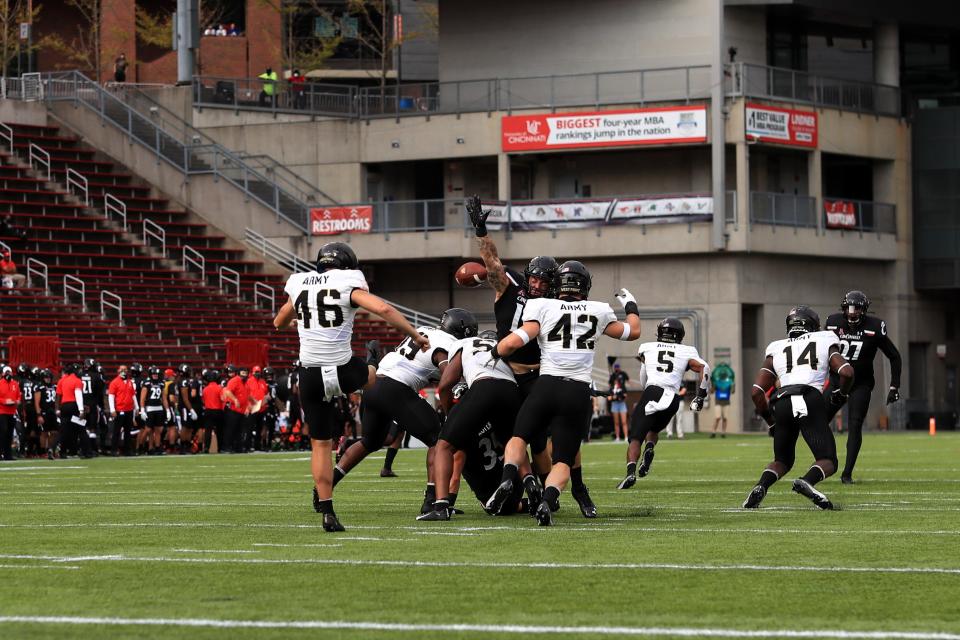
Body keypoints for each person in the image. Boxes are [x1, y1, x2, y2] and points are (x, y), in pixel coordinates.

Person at [272, 241, 429, 532]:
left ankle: (327, 509)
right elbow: (382, 308)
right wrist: (415, 335)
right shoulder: (349, 282)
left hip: (309, 374)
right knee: (372, 376)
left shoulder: (300, 283)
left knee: (321, 445)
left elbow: (279, 321)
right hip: (343, 370)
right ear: (347, 264)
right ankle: (371, 359)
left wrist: (299, 322)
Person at [466, 195, 598, 518]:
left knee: (552, 438)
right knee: (521, 436)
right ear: (527, 276)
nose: (538, 284)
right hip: (509, 375)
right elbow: (493, 265)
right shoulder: (512, 287)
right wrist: (482, 232)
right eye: (534, 278)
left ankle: (564, 488)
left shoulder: (555, 303)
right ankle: (539, 488)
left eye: (544, 280)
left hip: (545, 375)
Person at [486, 262, 641, 525]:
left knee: (519, 437)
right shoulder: (599, 310)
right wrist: (631, 306)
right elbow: (633, 332)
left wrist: (495, 352)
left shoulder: (541, 306)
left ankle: (507, 479)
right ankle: (547, 500)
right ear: (585, 286)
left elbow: (513, 342)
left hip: (545, 386)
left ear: (558, 284)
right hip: (577, 391)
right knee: (563, 461)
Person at [333, 308, 473, 517]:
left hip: (373, 386)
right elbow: (447, 376)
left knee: (370, 442)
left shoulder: (424, 330)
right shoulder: (448, 344)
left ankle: (325, 488)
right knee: (440, 440)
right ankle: (433, 501)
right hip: (395, 388)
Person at [743, 306, 853, 510]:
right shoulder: (825, 338)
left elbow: (756, 392)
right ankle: (807, 481)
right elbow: (846, 372)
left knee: (782, 460)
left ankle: (761, 486)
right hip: (808, 396)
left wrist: (771, 423)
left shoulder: (776, 347)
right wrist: (842, 394)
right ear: (812, 325)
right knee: (828, 459)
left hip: (782, 400)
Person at [420, 328, 523, 521]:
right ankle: (537, 490)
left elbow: (444, 385)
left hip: (489, 493)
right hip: (512, 392)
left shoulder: (463, 345)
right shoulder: (506, 349)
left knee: (444, 446)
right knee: (517, 441)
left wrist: (451, 414)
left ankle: (441, 505)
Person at [617, 318, 709, 490]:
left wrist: (647, 392)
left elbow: (644, 373)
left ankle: (630, 472)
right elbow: (706, 369)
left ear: (661, 332)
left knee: (636, 437)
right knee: (653, 430)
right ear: (680, 334)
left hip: (653, 391)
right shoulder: (688, 351)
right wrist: (700, 396)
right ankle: (650, 447)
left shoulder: (647, 347)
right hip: (672, 398)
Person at [824, 290, 902, 484]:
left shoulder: (875, 326)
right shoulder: (832, 323)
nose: (852, 312)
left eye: (856, 308)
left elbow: (894, 356)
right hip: (837, 381)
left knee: (855, 424)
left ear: (864, 310)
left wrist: (894, 386)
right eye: (848, 308)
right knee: (818, 421)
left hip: (861, 383)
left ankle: (847, 473)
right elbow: (821, 352)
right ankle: (825, 461)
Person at [48, 362, 90, 459]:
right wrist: (81, 410)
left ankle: (54, 448)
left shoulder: (62, 381)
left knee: (63, 431)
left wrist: (57, 409)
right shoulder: (77, 381)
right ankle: (86, 452)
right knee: (82, 429)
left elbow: (58, 396)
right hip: (74, 406)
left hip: (64, 406)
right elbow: (78, 396)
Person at [107, 365, 137, 456]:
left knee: (128, 431)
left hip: (129, 409)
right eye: (122, 369)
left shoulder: (129, 382)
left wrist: (137, 407)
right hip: (120, 409)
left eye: (125, 369)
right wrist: (112, 409)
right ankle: (114, 450)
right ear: (118, 371)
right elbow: (111, 396)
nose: (123, 371)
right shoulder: (114, 382)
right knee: (117, 431)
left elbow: (133, 395)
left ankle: (127, 450)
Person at [222, 365, 250, 453]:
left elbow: (247, 397)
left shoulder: (246, 383)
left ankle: (238, 447)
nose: (244, 375)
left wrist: (247, 408)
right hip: (233, 409)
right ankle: (227, 447)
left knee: (240, 430)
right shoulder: (235, 380)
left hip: (242, 410)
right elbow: (228, 391)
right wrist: (235, 399)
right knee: (231, 429)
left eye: (246, 373)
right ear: (239, 373)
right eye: (243, 373)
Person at [139, 367, 166, 455]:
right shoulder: (146, 383)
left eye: (156, 374)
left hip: (159, 408)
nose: (155, 375)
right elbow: (142, 398)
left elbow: (164, 398)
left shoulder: (161, 383)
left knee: (158, 430)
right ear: (150, 374)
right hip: (150, 408)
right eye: (154, 374)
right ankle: (140, 447)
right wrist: (142, 410)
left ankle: (157, 448)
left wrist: (168, 410)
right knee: (147, 430)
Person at [34, 369, 58, 455]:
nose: (47, 379)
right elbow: (36, 402)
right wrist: (39, 415)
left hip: (52, 412)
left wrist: (57, 410)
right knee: (44, 433)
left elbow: (56, 400)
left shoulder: (55, 387)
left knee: (54, 432)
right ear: (42, 378)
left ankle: (50, 450)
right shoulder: (40, 387)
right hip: (44, 412)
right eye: (46, 377)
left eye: (49, 377)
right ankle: (43, 452)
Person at [200, 368, 224, 453]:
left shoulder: (205, 389)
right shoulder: (219, 388)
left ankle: (206, 448)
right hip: (218, 411)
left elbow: (203, 400)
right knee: (220, 431)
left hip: (208, 411)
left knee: (208, 431)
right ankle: (220, 448)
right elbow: (222, 399)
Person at [0, 365, 20, 460]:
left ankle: (8, 454)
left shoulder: (15, 384)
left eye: (9, 372)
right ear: (3, 373)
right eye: (6, 372)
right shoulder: (0, 383)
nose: (8, 374)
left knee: (9, 433)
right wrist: (5, 401)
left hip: (11, 411)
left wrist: (17, 401)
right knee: (2, 432)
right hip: (2, 411)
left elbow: (18, 396)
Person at [710, 361, 735, 438]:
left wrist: (733, 386)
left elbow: (733, 392)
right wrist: (712, 385)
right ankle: (713, 432)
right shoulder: (717, 381)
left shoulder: (729, 382)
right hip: (718, 401)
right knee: (717, 417)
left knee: (725, 418)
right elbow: (711, 391)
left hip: (726, 402)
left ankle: (723, 433)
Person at [608, 363, 629, 441]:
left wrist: (620, 397)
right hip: (614, 404)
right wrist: (614, 397)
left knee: (624, 421)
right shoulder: (612, 388)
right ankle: (617, 437)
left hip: (621, 404)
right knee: (616, 422)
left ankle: (626, 437)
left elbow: (625, 395)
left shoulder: (622, 387)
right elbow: (609, 398)